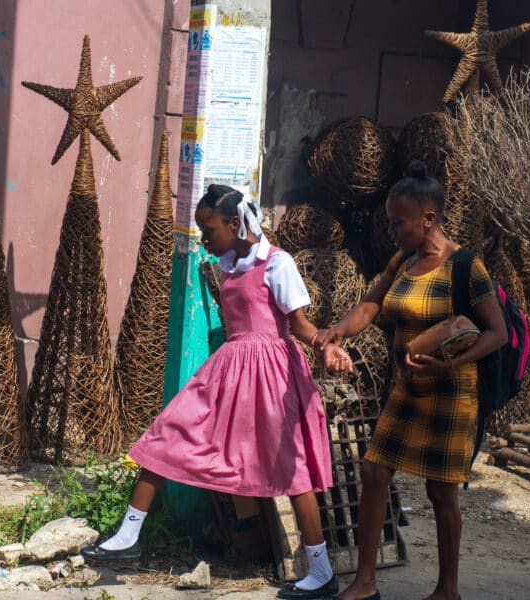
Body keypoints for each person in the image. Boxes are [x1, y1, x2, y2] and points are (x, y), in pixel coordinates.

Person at [82, 184, 349, 600]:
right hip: (229, 370)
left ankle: (321, 572)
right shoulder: (228, 263)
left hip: (272, 375)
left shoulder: (277, 263)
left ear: (232, 223)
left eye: (208, 230)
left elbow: (300, 326)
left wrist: (327, 346)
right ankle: (127, 534)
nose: (204, 239)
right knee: (169, 431)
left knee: (292, 469)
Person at [315, 162, 507, 600]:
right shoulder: (403, 260)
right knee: (373, 470)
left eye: (398, 222)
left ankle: (448, 589)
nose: (392, 230)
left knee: (441, 491)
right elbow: (370, 303)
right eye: (389, 221)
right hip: (406, 389)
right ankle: (365, 583)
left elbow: (498, 333)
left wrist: (447, 366)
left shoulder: (465, 267)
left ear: (429, 218)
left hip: (452, 393)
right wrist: (339, 330)